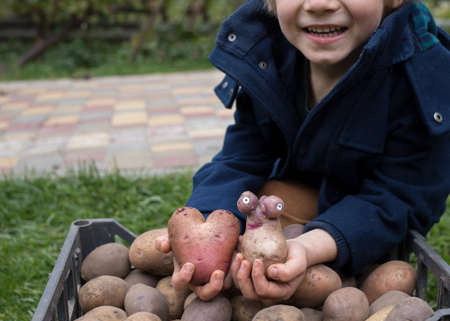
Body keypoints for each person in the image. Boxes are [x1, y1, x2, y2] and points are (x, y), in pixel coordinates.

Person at [157, 0, 450, 301]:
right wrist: (205, 228)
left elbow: (400, 197)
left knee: (342, 279)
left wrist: (309, 247)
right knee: (266, 203)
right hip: (287, 205)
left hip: (367, 226)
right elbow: (242, 155)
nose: (320, 4)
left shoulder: (425, 78)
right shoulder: (265, 54)